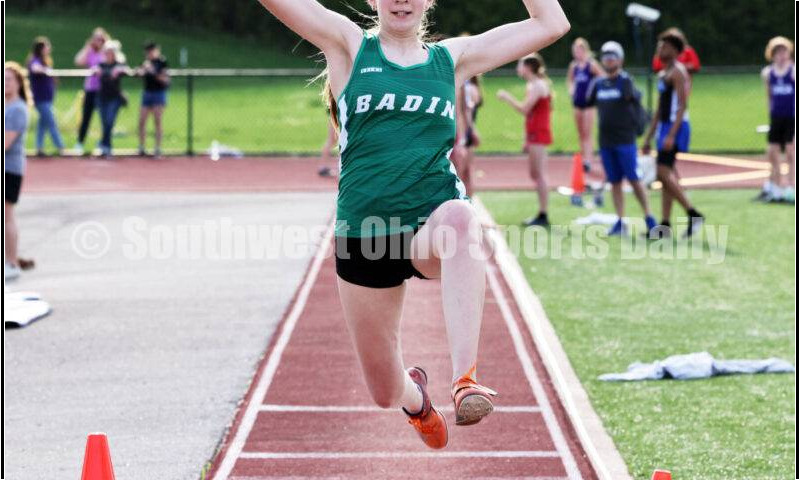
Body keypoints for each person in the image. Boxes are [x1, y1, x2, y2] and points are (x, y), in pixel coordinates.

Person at [257, 0, 570, 449]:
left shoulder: (451, 59)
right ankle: (415, 398)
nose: (401, 0)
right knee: (384, 391)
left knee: (463, 219)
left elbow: (551, 23)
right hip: (364, 239)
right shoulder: (347, 46)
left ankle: (466, 381)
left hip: (428, 222)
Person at [586, 42, 657, 236]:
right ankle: (620, 220)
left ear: (620, 59)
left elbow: (635, 102)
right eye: (606, 56)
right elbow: (584, 101)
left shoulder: (625, 81)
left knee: (634, 179)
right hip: (606, 141)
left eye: (613, 56)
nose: (609, 59)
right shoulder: (599, 83)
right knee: (615, 182)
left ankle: (650, 217)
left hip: (625, 140)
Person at [643, 30, 704, 238]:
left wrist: (671, 135)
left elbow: (682, 105)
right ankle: (665, 225)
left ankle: (692, 212)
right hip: (665, 128)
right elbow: (660, 110)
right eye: (659, 46)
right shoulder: (664, 73)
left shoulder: (678, 72)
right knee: (665, 175)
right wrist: (649, 137)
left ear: (676, 51)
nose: (660, 50)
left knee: (662, 173)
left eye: (665, 47)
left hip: (676, 127)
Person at [497, 53, 553, 227]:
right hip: (534, 134)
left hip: (539, 133)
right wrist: (526, 138)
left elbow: (525, 109)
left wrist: (508, 98)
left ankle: (543, 214)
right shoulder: (532, 85)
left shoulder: (537, 85)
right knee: (535, 173)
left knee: (539, 174)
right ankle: (542, 213)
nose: (517, 68)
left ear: (528, 67)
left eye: (520, 65)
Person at [758, 36, 795, 203]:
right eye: (777, 52)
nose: (781, 55)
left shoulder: (793, 72)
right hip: (777, 117)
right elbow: (769, 96)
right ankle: (777, 187)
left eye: (783, 51)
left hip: (792, 117)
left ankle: (792, 187)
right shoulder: (768, 73)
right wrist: (771, 113)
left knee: (790, 151)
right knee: (772, 152)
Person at [5, 63, 33, 280]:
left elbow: (6, 143)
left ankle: (12, 263)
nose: (5, 83)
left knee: (7, 216)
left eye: (9, 79)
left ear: (18, 83)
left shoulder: (17, 109)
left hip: (10, 168)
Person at [567, 38, 602, 171]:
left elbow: (602, 77)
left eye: (580, 50)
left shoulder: (591, 65)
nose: (578, 53)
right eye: (575, 51)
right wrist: (571, 89)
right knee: (581, 132)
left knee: (587, 132)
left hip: (589, 104)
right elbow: (570, 81)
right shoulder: (573, 66)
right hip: (577, 103)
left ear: (585, 51)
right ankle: (584, 158)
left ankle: (588, 160)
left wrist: (593, 89)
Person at [27, 36, 64, 157]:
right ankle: (61, 147)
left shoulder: (46, 61)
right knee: (51, 122)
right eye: (46, 46)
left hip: (48, 98)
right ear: (40, 48)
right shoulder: (35, 60)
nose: (49, 48)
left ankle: (39, 148)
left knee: (42, 125)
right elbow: (35, 68)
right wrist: (46, 71)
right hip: (40, 98)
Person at [74, 27, 109, 155]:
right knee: (86, 118)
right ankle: (80, 142)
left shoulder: (107, 52)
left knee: (104, 119)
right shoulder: (91, 52)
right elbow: (78, 61)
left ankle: (102, 143)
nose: (98, 41)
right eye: (95, 39)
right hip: (90, 89)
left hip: (103, 90)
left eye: (100, 39)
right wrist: (87, 46)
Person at [95, 40, 131, 158]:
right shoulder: (101, 65)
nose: (108, 54)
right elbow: (96, 71)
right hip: (102, 97)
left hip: (114, 98)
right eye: (107, 52)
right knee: (104, 123)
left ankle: (105, 146)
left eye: (111, 52)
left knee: (110, 122)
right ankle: (106, 147)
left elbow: (126, 69)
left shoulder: (119, 64)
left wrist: (120, 70)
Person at [137, 42, 170, 158]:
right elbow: (139, 73)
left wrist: (152, 71)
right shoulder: (146, 63)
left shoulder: (161, 62)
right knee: (141, 121)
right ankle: (141, 147)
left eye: (150, 51)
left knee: (157, 120)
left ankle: (157, 148)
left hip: (158, 93)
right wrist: (141, 71)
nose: (148, 53)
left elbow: (165, 79)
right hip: (147, 92)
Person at [455, 75, 483, 196]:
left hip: (462, 132)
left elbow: (466, 111)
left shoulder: (465, 86)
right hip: (466, 132)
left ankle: (460, 202)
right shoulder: (474, 87)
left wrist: (467, 134)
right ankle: (469, 204)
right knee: (468, 171)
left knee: (459, 173)